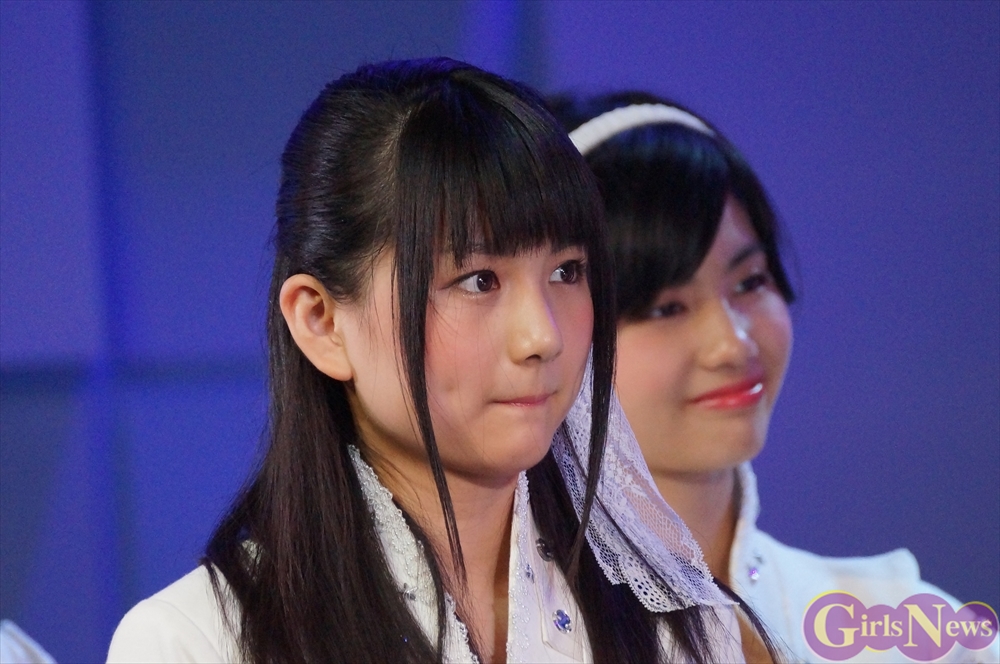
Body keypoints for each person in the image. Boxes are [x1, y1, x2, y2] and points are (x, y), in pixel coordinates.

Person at [105, 60, 766, 664]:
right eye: (478, 280)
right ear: (321, 321)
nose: (542, 336)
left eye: (567, 271)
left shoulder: (677, 624)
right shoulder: (196, 643)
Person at [551, 92, 1000, 663]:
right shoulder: (513, 638)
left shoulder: (904, 632)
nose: (733, 344)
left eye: (750, 282)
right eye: (666, 307)